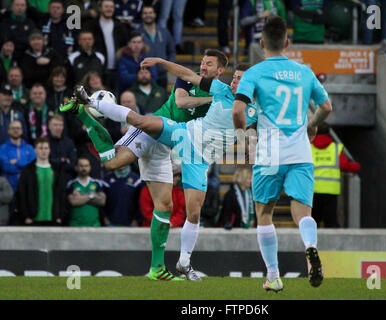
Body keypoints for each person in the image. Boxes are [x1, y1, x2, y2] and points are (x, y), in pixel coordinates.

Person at [62, 57, 258, 281]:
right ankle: (86, 108)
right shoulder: (209, 87)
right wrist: (161, 62)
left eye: (209, 64)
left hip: (176, 148)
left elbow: (226, 132)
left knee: (167, 206)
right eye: (202, 62)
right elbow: (182, 100)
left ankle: (158, 268)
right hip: (161, 131)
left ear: (219, 69)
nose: (203, 66)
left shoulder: (241, 103)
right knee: (113, 162)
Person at [232, 16, 333, 291]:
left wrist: (244, 139)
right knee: (303, 212)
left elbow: (238, 110)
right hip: (299, 150)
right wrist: (311, 125)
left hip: (269, 152)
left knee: (264, 214)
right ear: (287, 43)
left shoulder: (254, 72)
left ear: (262, 42)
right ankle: (310, 247)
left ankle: (274, 276)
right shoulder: (305, 72)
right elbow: (326, 107)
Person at [311, 122, 361, 228]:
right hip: (330, 191)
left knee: (313, 221)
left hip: (313, 190)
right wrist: (356, 166)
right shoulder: (335, 148)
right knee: (331, 221)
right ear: (329, 133)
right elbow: (344, 165)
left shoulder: (309, 148)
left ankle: (310, 243)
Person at [16, 137, 68, 226]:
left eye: (46, 148)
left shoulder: (57, 169)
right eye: (40, 148)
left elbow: (61, 193)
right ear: (35, 150)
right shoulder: (28, 170)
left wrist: (60, 215)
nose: (43, 151)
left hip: (53, 217)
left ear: (49, 150)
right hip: (33, 218)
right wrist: (25, 216)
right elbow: (22, 194)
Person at [85, 0, 131, 91]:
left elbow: (126, 45)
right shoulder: (91, 25)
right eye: (106, 6)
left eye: (111, 7)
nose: (109, 9)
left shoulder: (120, 26)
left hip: (117, 70)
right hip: (99, 71)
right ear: (100, 8)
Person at [136, 4, 176, 90]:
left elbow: (172, 51)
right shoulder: (137, 32)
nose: (148, 15)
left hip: (162, 74)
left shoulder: (164, 31)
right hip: (145, 74)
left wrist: (168, 65)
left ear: (155, 14)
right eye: (145, 13)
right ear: (142, 15)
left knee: (162, 100)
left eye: (150, 13)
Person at [140, 162, 186, 228]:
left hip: (173, 229)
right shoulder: (147, 190)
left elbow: (181, 212)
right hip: (151, 228)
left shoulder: (178, 192)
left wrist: (172, 223)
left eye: (178, 176)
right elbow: (147, 212)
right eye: (175, 175)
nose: (178, 178)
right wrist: (161, 223)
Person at [66, 156, 107, 227]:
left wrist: (81, 197)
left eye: (86, 166)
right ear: (76, 168)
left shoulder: (97, 183)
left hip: (94, 225)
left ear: (90, 167)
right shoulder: (71, 184)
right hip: (76, 225)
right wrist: (92, 195)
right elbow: (74, 202)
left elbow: (102, 201)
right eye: (81, 166)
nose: (84, 168)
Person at [0, 121, 36, 193]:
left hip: (27, 187)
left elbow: (32, 166)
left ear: (22, 131)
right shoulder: (2, 149)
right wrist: (25, 164)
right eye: (13, 128)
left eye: (18, 128)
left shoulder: (29, 148)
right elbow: (6, 167)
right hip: (9, 188)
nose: (16, 130)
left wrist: (17, 162)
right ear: (8, 131)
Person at [48, 114, 77, 180]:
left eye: (60, 125)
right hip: (50, 178)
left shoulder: (69, 143)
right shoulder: (45, 142)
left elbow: (73, 164)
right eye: (55, 125)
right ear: (49, 126)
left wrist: (55, 161)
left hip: (66, 179)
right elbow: (45, 162)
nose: (58, 127)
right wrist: (62, 160)